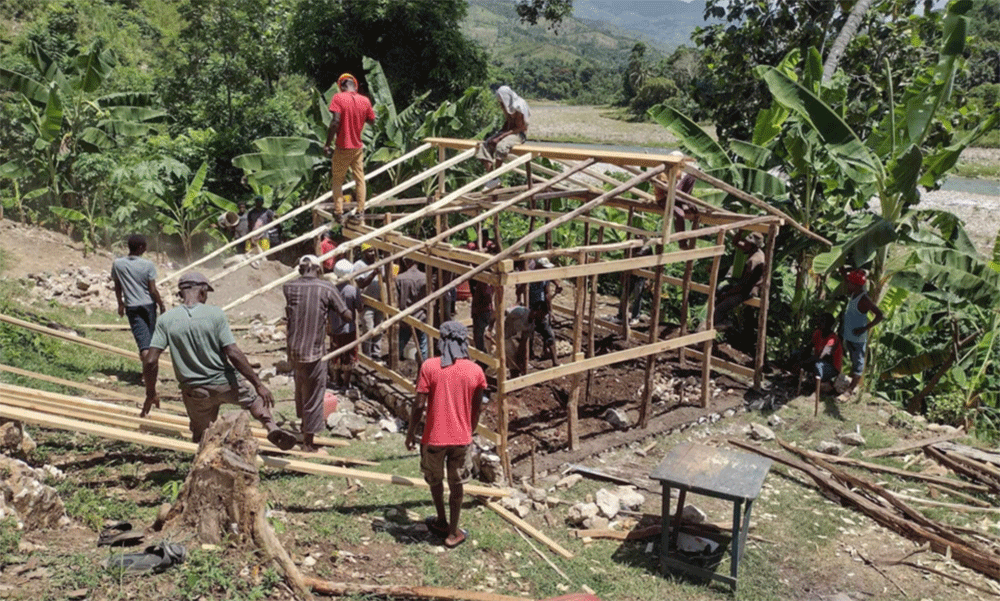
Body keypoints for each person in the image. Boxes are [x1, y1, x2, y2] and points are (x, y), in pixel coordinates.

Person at [141, 272, 297, 450]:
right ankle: (271, 427)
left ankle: (204, 456)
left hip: (195, 391)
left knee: (201, 435)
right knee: (254, 400)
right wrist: (259, 384)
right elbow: (233, 352)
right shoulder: (215, 314)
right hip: (226, 384)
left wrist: (151, 392)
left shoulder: (166, 320)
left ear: (181, 293)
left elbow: (150, 360)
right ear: (202, 290)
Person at [404, 321, 486, 549]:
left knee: (434, 478)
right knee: (457, 483)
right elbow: (477, 407)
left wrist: (411, 433)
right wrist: (469, 429)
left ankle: (441, 519)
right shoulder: (476, 371)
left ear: (443, 341)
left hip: (433, 438)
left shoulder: (430, 367)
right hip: (461, 438)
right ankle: (453, 532)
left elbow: (419, 405)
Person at [283, 255, 350, 452]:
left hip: (294, 350)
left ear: (300, 270)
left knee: (301, 387)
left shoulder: (289, 287)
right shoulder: (326, 288)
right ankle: (308, 443)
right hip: (314, 350)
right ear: (318, 270)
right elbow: (346, 315)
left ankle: (304, 425)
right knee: (313, 394)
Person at [324, 73, 376, 224]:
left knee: (337, 181)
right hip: (357, 148)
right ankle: (360, 211)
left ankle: (338, 212)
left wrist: (327, 144)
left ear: (341, 85)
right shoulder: (365, 100)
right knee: (360, 180)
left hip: (342, 148)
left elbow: (335, 122)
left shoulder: (338, 98)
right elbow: (372, 121)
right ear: (355, 84)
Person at [111, 234, 166, 361]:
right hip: (149, 305)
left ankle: (146, 373)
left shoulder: (118, 264)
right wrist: (161, 304)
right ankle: (149, 375)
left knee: (143, 341)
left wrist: (120, 304)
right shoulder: (148, 265)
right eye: (145, 246)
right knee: (149, 343)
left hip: (132, 306)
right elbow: (152, 289)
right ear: (141, 247)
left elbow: (117, 286)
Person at [838, 268, 884, 401]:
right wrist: (842, 268)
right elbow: (847, 278)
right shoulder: (854, 292)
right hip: (849, 335)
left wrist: (864, 328)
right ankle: (850, 385)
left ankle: (850, 390)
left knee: (858, 363)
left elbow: (880, 315)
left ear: (856, 285)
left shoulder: (864, 299)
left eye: (850, 283)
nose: (847, 284)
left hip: (858, 338)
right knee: (852, 361)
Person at [476, 85, 529, 190]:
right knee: (485, 146)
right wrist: (499, 134)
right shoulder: (506, 106)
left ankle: (495, 176)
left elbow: (521, 127)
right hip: (509, 132)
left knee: (501, 146)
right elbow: (508, 123)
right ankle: (493, 178)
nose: (500, 103)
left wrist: (502, 136)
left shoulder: (519, 105)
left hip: (519, 134)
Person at [713, 231, 766, 327]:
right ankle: (722, 318)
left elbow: (743, 287)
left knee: (720, 308)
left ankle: (721, 323)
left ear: (753, 245)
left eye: (746, 243)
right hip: (744, 286)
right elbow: (735, 242)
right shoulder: (753, 250)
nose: (744, 244)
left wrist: (727, 295)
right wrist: (740, 230)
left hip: (749, 291)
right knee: (721, 290)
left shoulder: (753, 261)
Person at [328, 259, 363, 389]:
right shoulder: (353, 291)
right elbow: (359, 308)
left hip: (334, 328)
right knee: (349, 356)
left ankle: (336, 381)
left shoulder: (331, 289)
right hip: (349, 329)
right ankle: (346, 384)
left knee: (336, 354)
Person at [352, 243, 384, 360]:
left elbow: (385, 279)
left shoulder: (380, 262)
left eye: (373, 251)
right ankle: (367, 354)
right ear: (364, 252)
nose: (372, 253)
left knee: (379, 329)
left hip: (380, 302)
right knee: (368, 330)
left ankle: (376, 353)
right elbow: (361, 283)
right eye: (369, 251)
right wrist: (374, 273)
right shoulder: (359, 265)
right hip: (367, 303)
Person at [528, 257, 561, 367]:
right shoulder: (529, 277)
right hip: (531, 307)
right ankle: (529, 357)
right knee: (529, 334)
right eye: (544, 268)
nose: (546, 270)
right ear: (538, 267)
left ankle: (555, 361)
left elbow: (547, 293)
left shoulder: (545, 277)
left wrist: (550, 310)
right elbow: (520, 292)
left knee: (549, 333)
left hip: (542, 308)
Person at [396, 258, 430, 362]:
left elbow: (396, 299)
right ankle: (423, 364)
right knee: (423, 343)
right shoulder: (425, 278)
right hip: (421, 315)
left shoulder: (400, 278)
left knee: (401, 341)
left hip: (406, 315)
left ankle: (396, 360)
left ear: (406, 262)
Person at [503, 301, 548, 378]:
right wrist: (490, 329)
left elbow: (523, 343)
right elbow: (500, 313)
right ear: (536, 311)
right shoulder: (520, 312)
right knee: (491, 361)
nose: (542, 318)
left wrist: (520, 361)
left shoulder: (531, 325)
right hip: (496, 333)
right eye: (542, 315)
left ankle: (515, 381)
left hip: (506, 338)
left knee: (513, 361)